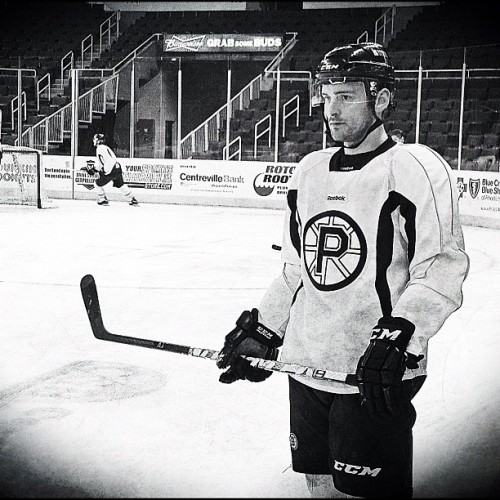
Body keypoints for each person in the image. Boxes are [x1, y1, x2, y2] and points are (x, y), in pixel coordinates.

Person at [216, 42, 469, 498]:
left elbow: (440, 266)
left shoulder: (413, 168)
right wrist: (267, 330)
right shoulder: (309, 171)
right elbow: (297, 269)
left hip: (372, 374)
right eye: (326, 95)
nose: (331, 109)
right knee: (319, 484)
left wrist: (400, 337)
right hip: (307, 365)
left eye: (347, 95)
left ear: (383, 99)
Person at [84, 134, 139, 206]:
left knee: (97, 183)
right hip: (117, 167)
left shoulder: (100, 148)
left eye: (94, 139)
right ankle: (132, 198)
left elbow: (102, 163)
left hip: (110, 169)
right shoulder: (106, 147)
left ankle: (102, 199)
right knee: (120, 184)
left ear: (97, 141)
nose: (93, 141)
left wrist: (94, 169)